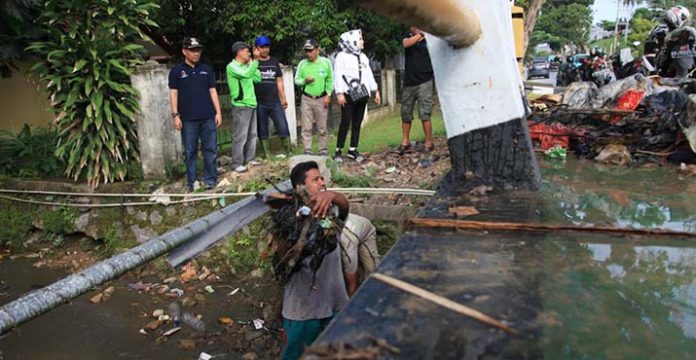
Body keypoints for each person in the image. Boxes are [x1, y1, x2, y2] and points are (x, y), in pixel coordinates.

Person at [270, 161, 350, 360]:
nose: (322, 182)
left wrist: (332, 195)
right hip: (303, 311)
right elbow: (284, 255)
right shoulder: (289, 218)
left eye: (322, 178)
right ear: (301, 188)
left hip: (334, 305)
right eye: (316, 179)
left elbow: (345, 206)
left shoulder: (330, 215)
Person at [168, 37, 222, 192]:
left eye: (198, 50)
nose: (196, 53)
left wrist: (218, 112)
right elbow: (173, 94)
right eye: (192, 50)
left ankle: (210, 179)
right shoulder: (177, 71)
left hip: (207, 116)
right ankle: (192, 181)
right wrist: (175, 115)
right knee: (190, 151)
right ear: (184, 51)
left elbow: (212, 91)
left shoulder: (206, 69)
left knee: (210, 149)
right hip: (188, 119)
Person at [333, 29, 380, 163]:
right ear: (352, 41)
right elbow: (338, 75)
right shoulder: (341, 56)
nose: (362, 41)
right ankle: (338, 150)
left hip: (362, 94)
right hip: (347, 95)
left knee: (357, 122)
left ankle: (353, 149)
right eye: (360, 39)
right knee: (345, 121)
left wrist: (375, 90)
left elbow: (369, 74)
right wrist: (339, 93)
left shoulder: (363, 57)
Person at [253, 35, 292, 159]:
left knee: (282, 126)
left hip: (274, 101)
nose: (265, 49)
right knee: (263, 128)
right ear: (256, 48)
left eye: (267, 46)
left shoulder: (274, 62)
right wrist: (254, 59)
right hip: (259, 102)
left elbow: (279, 81)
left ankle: (288, 151)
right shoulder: (253, 63)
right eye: (262, 47)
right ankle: (267, 154)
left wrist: (283, 98)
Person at [294, 39, 334, 156]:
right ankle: (307, 149)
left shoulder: (325, 62)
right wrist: (305, 81)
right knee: (306, 126)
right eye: (306, 51)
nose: (308, 53)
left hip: (321, 98)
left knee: (322, 126)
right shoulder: (302, 64)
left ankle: (322, 149)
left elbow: (330, 79)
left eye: (311, 50)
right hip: (306, 98)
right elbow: (296, 80)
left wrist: (328, 94)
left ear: (317, 50)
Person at [400, 26, 434, 155]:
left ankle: (428, 143)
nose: (413, 27)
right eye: (412, 25)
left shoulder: (430, 40)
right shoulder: (408, 37)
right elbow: (406, 44)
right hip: (409, 82)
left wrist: (425, 34)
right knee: (405, 113)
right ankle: (405, 142)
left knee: (425, 113)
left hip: (425, 81)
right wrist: (420, 34)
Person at [339, 213, 380, 296]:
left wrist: (350, 305)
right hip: (351, 228)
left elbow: (352, 283)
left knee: (372, 270)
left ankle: (376, 294)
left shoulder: (347, 247)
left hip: (365, 233)